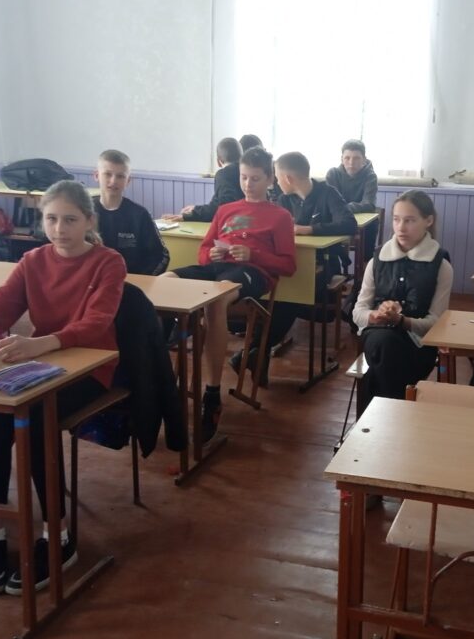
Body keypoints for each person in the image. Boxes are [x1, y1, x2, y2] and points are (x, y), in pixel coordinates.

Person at [0, 180, 126, 595]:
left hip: (91, 367)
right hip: (42, 364)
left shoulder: (108, 262)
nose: (59, 229)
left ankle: (59, 534)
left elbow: (97, 323)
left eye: (70, 220)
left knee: (36, 419)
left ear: (89, 221)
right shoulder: (32, 261)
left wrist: (41, 343)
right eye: (51, 219)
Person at [163, 147, 296, 438]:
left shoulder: (280, 216)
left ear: (270, 180)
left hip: (251, 273)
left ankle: (212, 394)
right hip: (219, 267)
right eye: (244, 177)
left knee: (215, 301)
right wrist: (209, 255)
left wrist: (253, 255)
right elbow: (203, 252)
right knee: (164, 280)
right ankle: (159, 375)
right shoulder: (226, 210)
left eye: (255, 179)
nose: (248, 184)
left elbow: (288, 266)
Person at [235, 152, 357, 379]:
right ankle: (255, 354)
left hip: (324, 264)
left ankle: (253, 353)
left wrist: (309, 229)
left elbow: (349, 224)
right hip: (292, 263)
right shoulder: (284, 200)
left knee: (289, 297)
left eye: (277, 177)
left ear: (288, 178)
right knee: (278, 293)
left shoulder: (328, 193)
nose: (276, 182)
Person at [352, 190, 453, 401]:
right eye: (396, 219)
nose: (401, 227)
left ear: (428, 221)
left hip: (418, 344)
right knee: (384, 345)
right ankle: (395, 410)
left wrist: (402, 321)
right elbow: (358, 313)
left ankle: (375, 414)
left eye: (409, 220)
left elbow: (436, 323)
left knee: (384, 358)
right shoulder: (377, 260)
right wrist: (375, 316)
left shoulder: (441, 265)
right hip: (377, 337)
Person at [92, 149, 169, 275]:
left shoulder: (140, 215)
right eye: (108, 174)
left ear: (128, 181)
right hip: (91, 282)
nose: (113, 181)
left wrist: (143, 281)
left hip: (130, 282)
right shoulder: (83, 212)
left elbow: (161, 256)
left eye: (120, 176)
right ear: (96, 176)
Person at [165, 137, 245, 223]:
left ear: (218, 161)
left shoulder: (224, 174)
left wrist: (190, 215)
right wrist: (196, 209)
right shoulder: (248, 172)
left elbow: (221, 207)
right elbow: (218, 204)